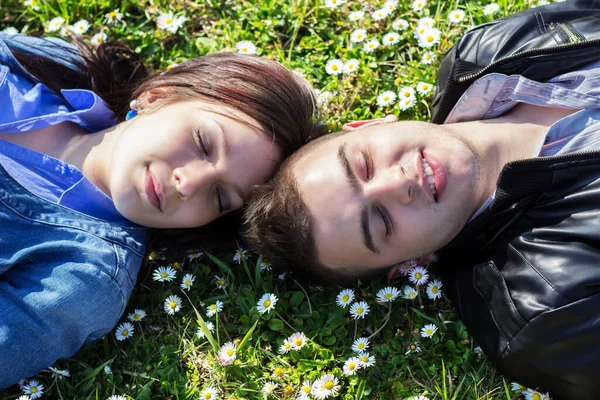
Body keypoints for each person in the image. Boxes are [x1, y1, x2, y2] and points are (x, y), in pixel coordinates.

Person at [243, 57, 600, 398]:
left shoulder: (484, 53)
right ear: (412, 265)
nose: (398, 184)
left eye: (364, 164)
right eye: (381, 222)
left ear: (371, 125)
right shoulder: (551, 316)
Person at [0, 31, 325, 388]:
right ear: (158, 97)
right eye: (203, 142)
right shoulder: (56, 65)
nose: (188, 184)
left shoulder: (81, 280)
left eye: (219, 197)